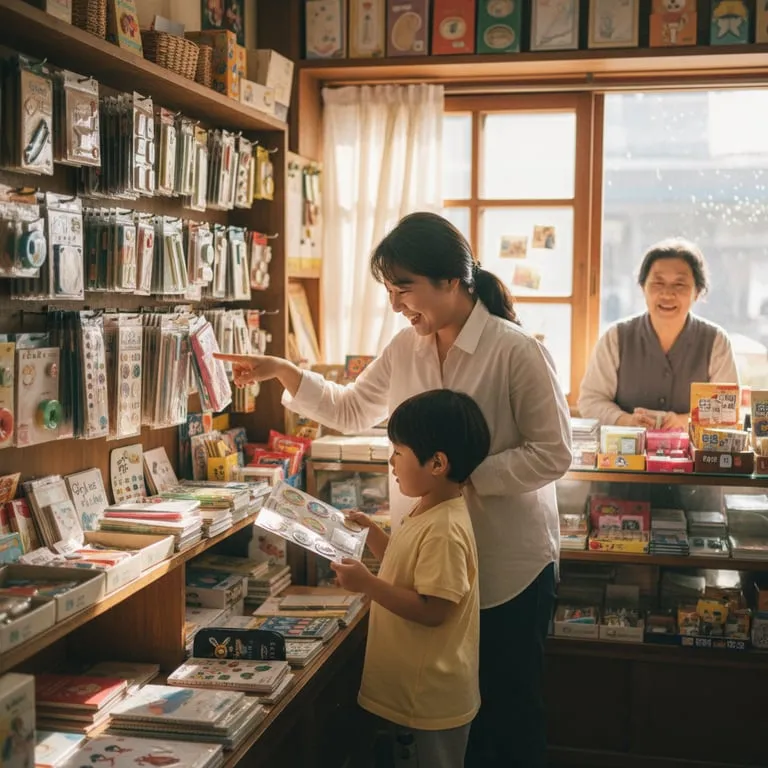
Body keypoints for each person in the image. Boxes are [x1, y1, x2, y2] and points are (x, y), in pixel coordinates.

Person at [215, 211, 573, 768]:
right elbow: (352, 408)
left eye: (404, 288)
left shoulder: (516, 351)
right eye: (388, 290)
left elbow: (554, 453)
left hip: (508, 564)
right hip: (426, 560)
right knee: (445, 710)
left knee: (508, 711)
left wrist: (458, 479)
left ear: (451, 280)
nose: (396, 304)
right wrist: (284, 371)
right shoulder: (406, 347)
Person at [330, 389, 490, 767]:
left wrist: (367, 585)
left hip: (430, 700)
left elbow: (433, 609)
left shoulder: (445, 528)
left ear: (436, 464)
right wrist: (371, 531)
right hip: (416, 693)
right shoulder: (427, 509)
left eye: (398, 452)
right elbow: (403, 569)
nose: (391, 461)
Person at [578, 238, 739, 429]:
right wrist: (626, 420)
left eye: (679, 285)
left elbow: (728, 409)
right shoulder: (615, 337)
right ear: (642, 288)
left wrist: (683, 421)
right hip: (625, 453)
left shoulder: (716, 341)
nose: (667, 294)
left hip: (692, 455)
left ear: (697, 292)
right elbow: (590, 400)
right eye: (658, 283)